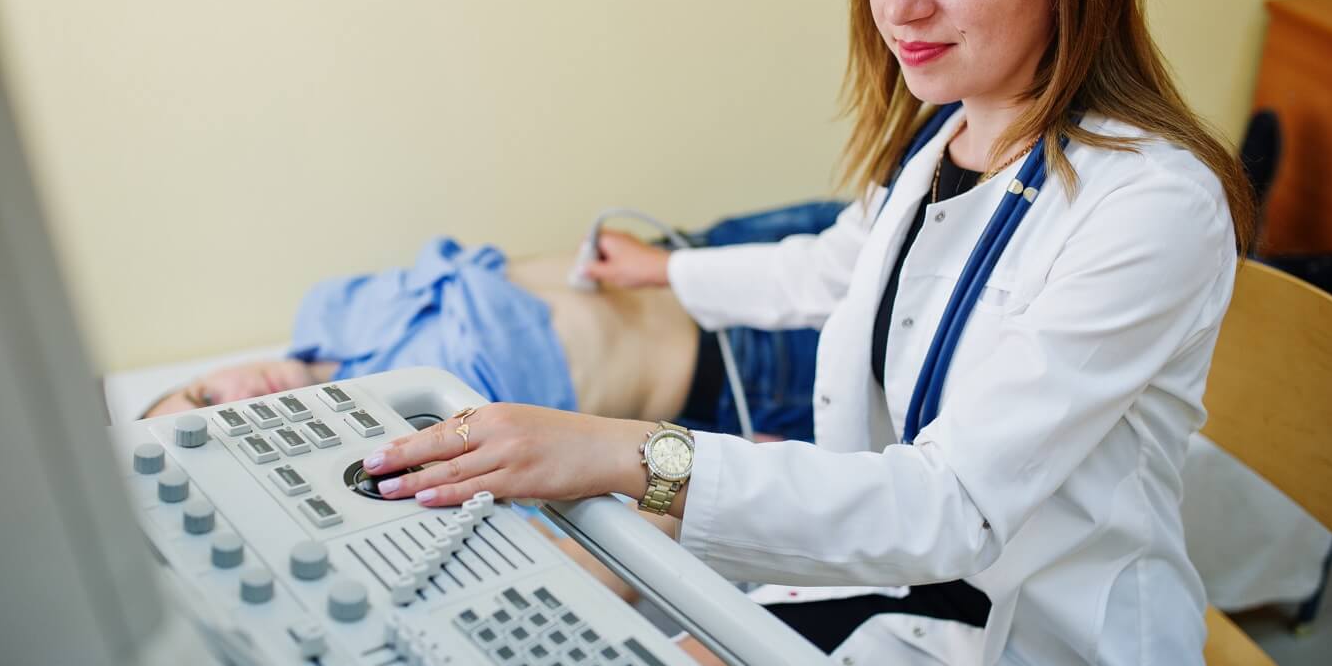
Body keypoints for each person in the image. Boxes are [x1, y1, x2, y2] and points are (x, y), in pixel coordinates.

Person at [356, 0, 1257, 666]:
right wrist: (666, 272)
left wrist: (620, 453)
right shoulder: (947, 136)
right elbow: (835, 267)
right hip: (896, 591)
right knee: (610, 648)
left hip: (1046, 657)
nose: (900, 1)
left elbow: (947, 508)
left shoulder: (1151, 205)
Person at [143, 202, 843, 439]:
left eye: (208, 394)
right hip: (742, 364)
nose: (241, 397)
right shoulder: (403, 432)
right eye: (230, 422)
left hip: (700, 249)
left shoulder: (330, 307)